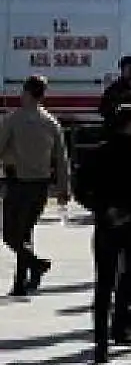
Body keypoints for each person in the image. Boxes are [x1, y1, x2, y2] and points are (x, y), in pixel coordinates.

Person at [76, 103, 131, 364]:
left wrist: (103, 210)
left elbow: (81, 188)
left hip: (107, 225)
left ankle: (102, 346)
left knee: (104, 286)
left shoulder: (98, 155)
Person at [0, 75, 67, 295]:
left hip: (17, 183)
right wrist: (63, 188)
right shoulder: (51, 122)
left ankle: (35, 265)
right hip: (41, 186)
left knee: (11, 235)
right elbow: (62, 158)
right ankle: (22, 280)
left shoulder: (12, 120)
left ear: (26, 93)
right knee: (25, 233)